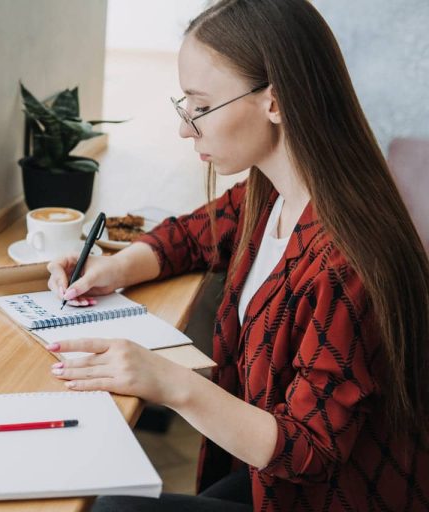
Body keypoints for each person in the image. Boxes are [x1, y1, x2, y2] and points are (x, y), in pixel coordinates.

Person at [45, 0, 429, 510]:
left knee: (111, 505)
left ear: (275, 102)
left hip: (325, 495)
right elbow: (193, 234)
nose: (186, 128)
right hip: (269, 476)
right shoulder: (270, 191)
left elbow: (309, 450)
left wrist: (169, 383)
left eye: (201, 106)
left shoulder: (345, 262)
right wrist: (113, 267)